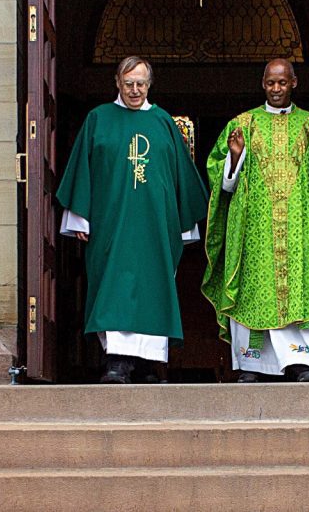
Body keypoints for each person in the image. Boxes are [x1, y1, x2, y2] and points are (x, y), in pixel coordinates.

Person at [57, 56, 209, 383]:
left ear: (149, 84)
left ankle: (147, 365)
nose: (135, 90)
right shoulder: (98, 119)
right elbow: (83, 168)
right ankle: (117, 362)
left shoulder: (163, 122)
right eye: (129, 84)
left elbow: (180, 175)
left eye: (141, 84)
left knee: (153, 288)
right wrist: (80, 217)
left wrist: (182, 222)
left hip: (156, 226)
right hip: (112, 223)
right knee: (114, 286)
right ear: (117, 83)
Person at [202, 58, 309, 382]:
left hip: (299, 226)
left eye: (282, 82)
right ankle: (252, 365)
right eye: (270, 83)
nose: (276, 89)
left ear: (294, 83)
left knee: (297, 288)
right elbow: (221, 182)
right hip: (254, 227)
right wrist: (234, 156)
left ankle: (302, 363)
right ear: (262, 84)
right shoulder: (243, 124)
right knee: (253, 291)